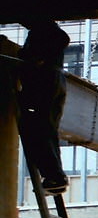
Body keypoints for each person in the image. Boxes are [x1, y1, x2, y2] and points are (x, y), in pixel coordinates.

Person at [17, 19, 71, 195]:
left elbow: (62, 38)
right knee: (47, 130)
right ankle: (55, 176)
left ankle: (54, 176)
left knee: (38, 129)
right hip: (53, 81)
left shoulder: (44, 30)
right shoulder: (47, 33)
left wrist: (36, 59)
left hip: (44, 83)